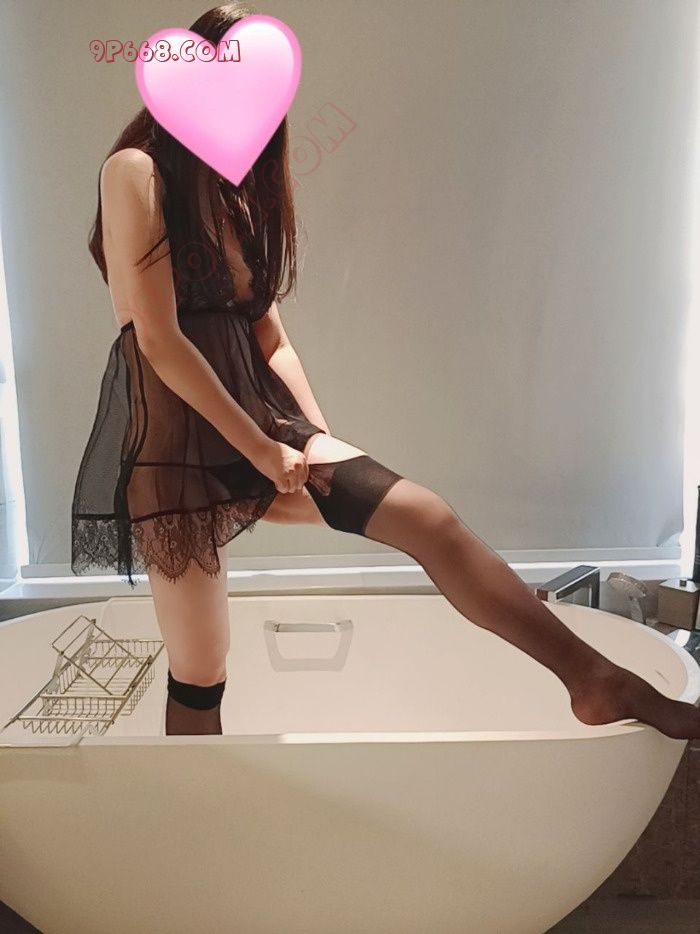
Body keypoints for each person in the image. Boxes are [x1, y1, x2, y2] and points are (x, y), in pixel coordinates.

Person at [72, 3, 700, 739]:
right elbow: (159, 340)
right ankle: (192, 803)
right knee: (201, 668)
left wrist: (317, 441)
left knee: (427, 517)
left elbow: (271, 340)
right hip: (176, 453)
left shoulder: (235, 201)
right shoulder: (135, 172)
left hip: (262, 429)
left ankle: (595, 681)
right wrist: (262, 450)